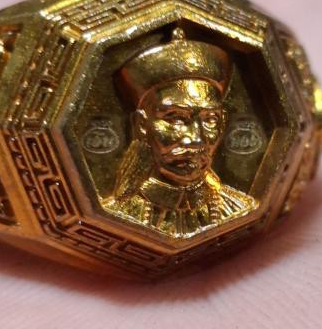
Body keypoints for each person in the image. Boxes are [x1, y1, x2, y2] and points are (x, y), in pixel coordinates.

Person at [102, 28, 257, 237]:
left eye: (210, 120)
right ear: (141, 125)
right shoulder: (114, 219)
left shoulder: (240, 210)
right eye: (176, 118)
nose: (197, 139)